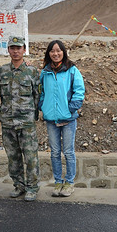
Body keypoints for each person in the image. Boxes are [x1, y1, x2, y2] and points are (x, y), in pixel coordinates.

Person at [38, 40, 85, 197]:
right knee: (55, 152)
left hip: (68, 119)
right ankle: (58, 182)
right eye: (52, 51)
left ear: (63, 52)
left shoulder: (72, 70)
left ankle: (69, 182)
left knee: (68, 152)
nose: (55, 53)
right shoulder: (45, 72)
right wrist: (42, 106)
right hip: (51, 118)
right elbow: (42, 92)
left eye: (58, 50)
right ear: (48, 53)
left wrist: (71, 109)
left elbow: (79, 91)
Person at [0, 36, 40, 202]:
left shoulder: (32, 71)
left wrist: (33, 116)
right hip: (8, 122)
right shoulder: (2, 71)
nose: (15, 51)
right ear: (8, 50)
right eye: (12, 48)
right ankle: (19, 185)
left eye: (18, 48)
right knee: (13, 157)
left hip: (26, 123)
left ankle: (32, 187)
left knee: (30, 157)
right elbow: (0, 95)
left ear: (24, 49)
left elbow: (37, 95)